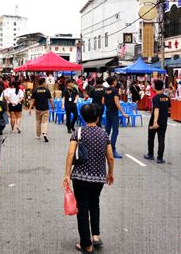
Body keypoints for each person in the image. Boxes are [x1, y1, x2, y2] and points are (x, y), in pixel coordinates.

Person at [62, 104, 114, 253]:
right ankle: (96, 235)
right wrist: (110, 173)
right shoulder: (104, 134)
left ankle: (86, 244)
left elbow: (70, 154)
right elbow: (110, 157)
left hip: (80, 177)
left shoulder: (78, 132)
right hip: (98, 178)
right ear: (98, 118)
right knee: (95, 204)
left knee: (83, 209)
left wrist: (67, 174)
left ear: (82, 117)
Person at [144, 80, 171, 164]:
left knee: (151, 137)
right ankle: (160, 158)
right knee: (161, 139)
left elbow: (156, 110)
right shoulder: (166, 97)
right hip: (163, 121)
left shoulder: (155, 98)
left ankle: (150, 154)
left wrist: (155, 122)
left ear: (155, 87)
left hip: (155, 121)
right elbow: (169, 108)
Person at [103, 76, 128, 159]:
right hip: (114, 112)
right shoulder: (115, 90)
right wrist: (123, 113)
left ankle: (104, 149)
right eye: (115, 80)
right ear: (113, 82)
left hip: (108, 111)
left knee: (107, 131)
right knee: (115, 131)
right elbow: (117, 103)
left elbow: (103, 101)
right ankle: (112, 149)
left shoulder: (106, 90)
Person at [29, 78, 54, 142]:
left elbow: (32, 100)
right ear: (43, 83)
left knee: (38, 122)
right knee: (45, 122)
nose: (45, 83)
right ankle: (44, 133)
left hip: (38, 109)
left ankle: (38, 135)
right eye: (45, 82)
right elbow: (50, 99)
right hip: (45, 109)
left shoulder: (35, 91)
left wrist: (29, 109)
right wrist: (53, 106)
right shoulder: (47, 90)